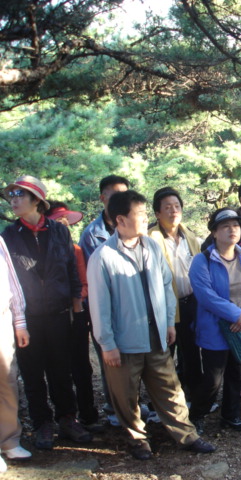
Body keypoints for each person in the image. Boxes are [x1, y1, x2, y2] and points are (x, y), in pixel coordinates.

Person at [87, 190, 214, 460]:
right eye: (141, 214)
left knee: (170, 389)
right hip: (123, 342)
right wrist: (107, 344)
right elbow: (99, 305)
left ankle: (187, 435)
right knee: (126, 396)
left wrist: (169, 321)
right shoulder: (103, 257)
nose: (146, 219)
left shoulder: (152, 246)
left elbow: (167, 286)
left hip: (155, 335)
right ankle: (137, 440)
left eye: (146, 214)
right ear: (120, 219)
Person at [1, 176, 91, 450]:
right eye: (11, 195)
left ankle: (67, 418)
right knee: (31, 372)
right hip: (26, 317)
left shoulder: (59, 231)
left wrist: (76, 304)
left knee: (61, 369)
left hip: (59, 312)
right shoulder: (8, 235)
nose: (14, 200)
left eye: (20, 195)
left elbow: (71, 270)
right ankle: (42, 423)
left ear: (37, 200)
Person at [188, 208, 241, 433]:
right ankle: (197, 415)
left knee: (236, 374)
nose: (232, 230)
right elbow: (205, 295)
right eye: (225, 226)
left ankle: (231, 415)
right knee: (213, 378)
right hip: (216, 329)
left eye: (236, 226)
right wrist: (236, 314)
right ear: (214, 232)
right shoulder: (202, 261)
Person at [45, 201, 103, 432]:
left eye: (64, 221)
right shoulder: (42, 251)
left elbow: (85, 283)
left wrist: (73, 298)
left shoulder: (76, 250)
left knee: (81, 367)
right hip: (49, 317)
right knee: (57, 366)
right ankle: (65, 415)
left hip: (76, 314)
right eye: (57, 220)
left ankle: (88, 412)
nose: (62, 224)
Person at [79, 174, 130, 422]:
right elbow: (96, 280)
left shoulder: (132, 227)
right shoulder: (92, 234)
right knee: (109, 357)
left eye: (125, 194)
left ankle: (132, 404)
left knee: (130, 358)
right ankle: (113, 408)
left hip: (131, 309)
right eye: (114, 195)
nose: (121, 200)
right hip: (105, 309)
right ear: (103, 198)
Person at [148, 187, 202, 401]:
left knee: (191, 352)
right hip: (164, 307)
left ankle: (195, 397)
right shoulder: (150, 239)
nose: (173, 211)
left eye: (177, 206)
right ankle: (162, 402)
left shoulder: (190, 236)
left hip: (191, 304)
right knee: (165, 355)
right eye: (167, 207)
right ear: (157, 214)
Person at [0, 236, 31, 470]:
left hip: (3, 319)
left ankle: (9, 439)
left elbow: (11, 280)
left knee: (7, 380)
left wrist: (19, 321)